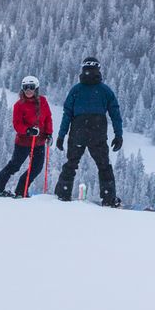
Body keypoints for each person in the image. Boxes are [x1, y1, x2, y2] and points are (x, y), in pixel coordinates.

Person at [54, 56, 124, 206]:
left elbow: (67, 114)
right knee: (104, 165)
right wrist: (118, 135)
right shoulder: (105, 91)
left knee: (71, 163)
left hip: (78, 130)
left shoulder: (76, 90)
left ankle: (62, 195)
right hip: (97, 131)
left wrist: (61, 135)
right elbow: (115, 114)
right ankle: (109, 199)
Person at [0, 76, 52, 197]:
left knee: (36, 168)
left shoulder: (43, 101)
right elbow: (17, 124)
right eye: (26, 88)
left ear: (36, 89)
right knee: (14, 166)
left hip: (39, 141)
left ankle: (21, 190)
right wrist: (28, 131)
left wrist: (49, 133)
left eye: (31, 87)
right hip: (23, 142)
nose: (28, 90)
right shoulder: (19, 105)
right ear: (22, 89)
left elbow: (48, 119)